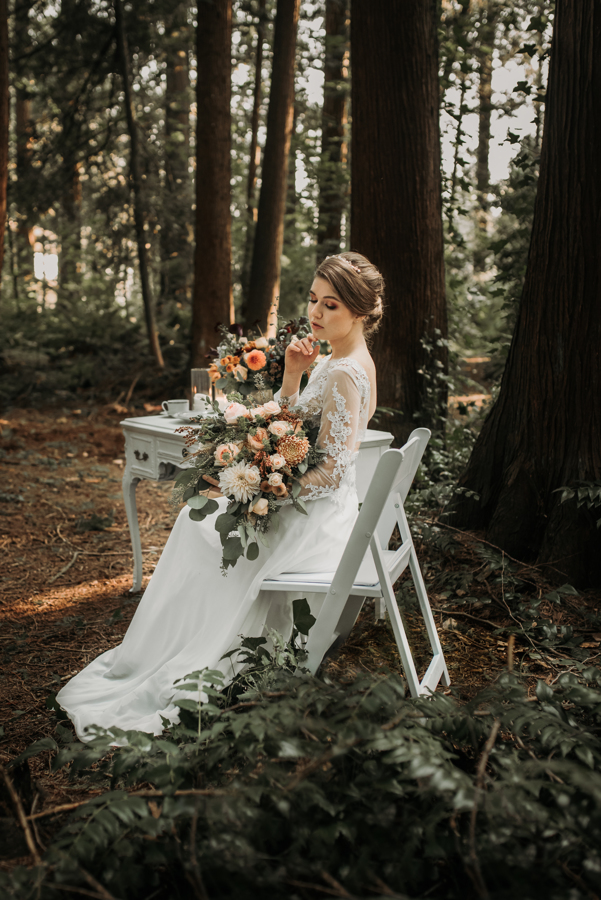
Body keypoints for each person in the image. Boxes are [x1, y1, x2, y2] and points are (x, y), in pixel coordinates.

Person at [57, 252, 385, 741]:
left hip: (320, 522)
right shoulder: (340, 360)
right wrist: (293, 374)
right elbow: (300, 426)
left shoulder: (343, 372)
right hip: (323, 509)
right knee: (202, 521)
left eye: (331, 305)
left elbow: (334, 470)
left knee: (198, 527)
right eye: (313, 300)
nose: (315, 313)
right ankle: (173, 647)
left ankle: (185, 655)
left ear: (359, 312)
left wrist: (267, 485)